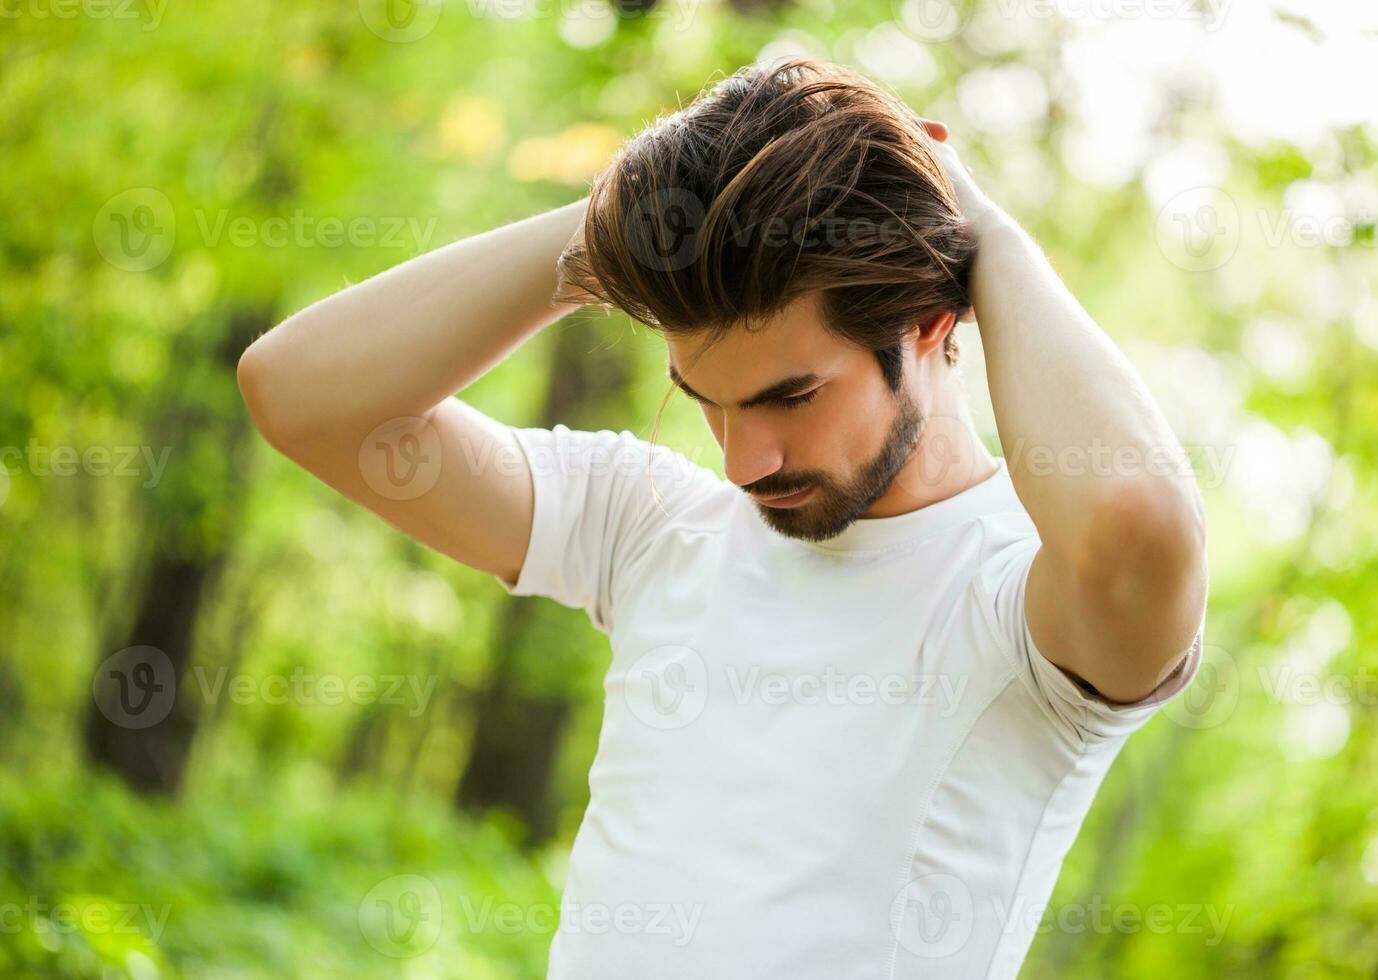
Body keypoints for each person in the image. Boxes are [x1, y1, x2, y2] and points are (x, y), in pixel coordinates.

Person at [238, 56, 1208, 980]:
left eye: (792, 396)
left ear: (928, 322)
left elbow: (1137, 518)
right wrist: (619, 231)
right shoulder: (648, 525)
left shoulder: (1018, 603)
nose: (747, 460)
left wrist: (979, 227)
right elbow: (304, 397)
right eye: (708, 398)